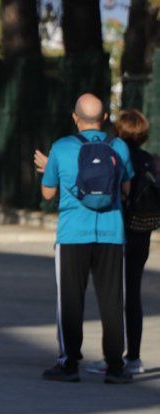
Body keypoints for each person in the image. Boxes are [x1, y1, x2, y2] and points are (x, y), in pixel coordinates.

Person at [34, 93, 134, 384]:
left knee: (70, 301)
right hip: (111, 234)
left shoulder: (61, 148)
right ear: (104, 119)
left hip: (72, 235)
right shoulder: (119, 147)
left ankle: (69, 364)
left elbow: (47, 193)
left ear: (75, 117)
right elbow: (126, 188)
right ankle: (115, 366)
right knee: (112, 302)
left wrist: (48, 169)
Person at [86, 110, 155, 376]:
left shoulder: (116, 156)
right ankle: (134, 357)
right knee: (133, 295)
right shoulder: (149, 160)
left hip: (119, 233)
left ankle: (112, 357)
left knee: (113, 296)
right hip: (143, 232)